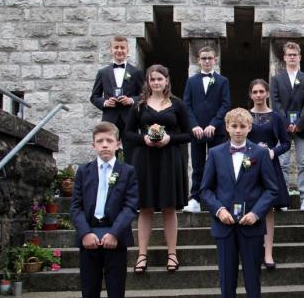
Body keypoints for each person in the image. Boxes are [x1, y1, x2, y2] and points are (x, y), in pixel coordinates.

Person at [200, 108, 279, 298]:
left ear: (249, 128)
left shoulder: (260, 153)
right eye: (233, 126)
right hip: (224, 227)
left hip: (251, 226)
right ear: (226, 127)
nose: (238, 130)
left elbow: (271, 189)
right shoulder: (214, 153)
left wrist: (256, 213)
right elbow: (205, 190)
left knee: (253, 279)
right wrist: (218, 210)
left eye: (242, 127)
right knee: (227, 279)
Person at [69, 122, 139, 298]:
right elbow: (76, 206)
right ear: (93, 145)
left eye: (109, 141)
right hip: (89, 237)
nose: (105, 145)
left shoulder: (127, 171)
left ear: (118, 144)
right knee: (89, 290)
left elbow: (131, 205)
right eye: (100, 141)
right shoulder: (84, 171)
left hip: (115, 239)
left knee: (116, 291)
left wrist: (115, 233)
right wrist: (85, 233)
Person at [124, 65, 191, 273]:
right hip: (144, 158)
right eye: (152, 79)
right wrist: (143, 138)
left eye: (159, 79)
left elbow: (188, 134)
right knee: (145, 208)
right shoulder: (138, 105)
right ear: (148, 81)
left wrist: (170, 139)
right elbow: (127, 134)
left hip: (169, 158)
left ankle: (172, 253)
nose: (156, 82)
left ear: (167, 80)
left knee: (169, 207)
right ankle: (142, 255)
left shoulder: (178, 104)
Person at [248, 79, 291, 269]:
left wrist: (273, 152)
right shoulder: (245, 116)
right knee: (250, 207)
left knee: (268, 210)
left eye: (261, 91)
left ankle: (268, 253)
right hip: (248, 165)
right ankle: (253, 252)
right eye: (255, 92)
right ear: (250, 95)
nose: (258, 95)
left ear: (266, 93)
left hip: (269, 167)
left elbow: (286, 142)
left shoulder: (277, 117)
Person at [270, 42, 304, 211]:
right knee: (282, 163)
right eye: (289, 54)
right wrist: (285, 123)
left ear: (299, 57)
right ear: (284, 57)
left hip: (302, 128)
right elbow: (275, 102)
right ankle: (283, 199)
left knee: (303, 163)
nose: (292, 57)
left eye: (294, 54)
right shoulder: (276, 79)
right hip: (282, 127)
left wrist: (298, 124)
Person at [184, 45, 231, 213]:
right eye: (204, 58)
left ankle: (216, 198)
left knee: (217, 164)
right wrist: (194, 125)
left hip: (216, 131)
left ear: (215, 60)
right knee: (197, 166)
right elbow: (187, 105)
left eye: (210, 58)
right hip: (196, 131)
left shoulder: (222, 81)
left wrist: (214, 124)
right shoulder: (191, 81)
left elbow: (225, 104)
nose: (207, 61)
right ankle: (195, 198)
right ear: (198, 60)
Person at [89, 36, 145, 162]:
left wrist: (131, 100)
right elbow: (94, 97)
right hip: (109, 119)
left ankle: (130, 180)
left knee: (132, 155)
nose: (119, 50)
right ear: (111, 50)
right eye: (116, 47)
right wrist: (105, 102)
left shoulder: (136, 72)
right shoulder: (103, 73)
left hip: (130, 118)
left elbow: (144, 95)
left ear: (127, 50)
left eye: (122, 48)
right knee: (107, 153)